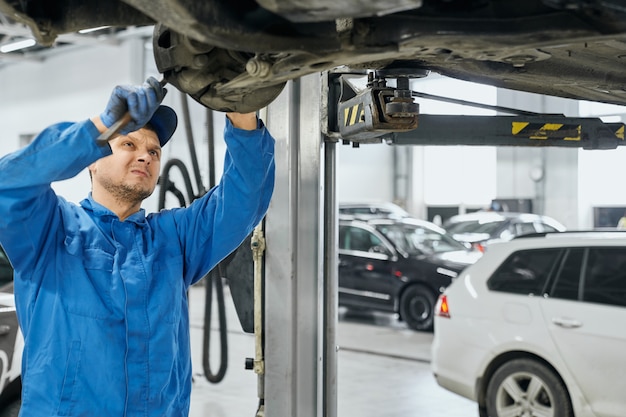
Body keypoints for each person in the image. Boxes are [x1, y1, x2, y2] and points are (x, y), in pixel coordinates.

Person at [0, 77, 275, 416]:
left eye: (154, 151)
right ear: (93, 159)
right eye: (129, 144)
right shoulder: (50, 230)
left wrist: (242, 110)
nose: (145, 156)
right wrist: (98, 127)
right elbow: (8, 183)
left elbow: (245, 199)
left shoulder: (173, 238)